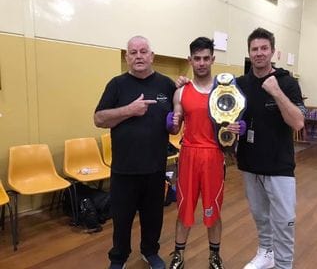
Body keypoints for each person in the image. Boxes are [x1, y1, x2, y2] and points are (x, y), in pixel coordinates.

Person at [94, 35, 176, 269]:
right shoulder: (117, 85)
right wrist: (129, 110)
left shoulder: (166, 85)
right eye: (133, 52)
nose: (138, 56)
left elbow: (178, 114)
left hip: (156, 167)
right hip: (124, 169)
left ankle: (150, 252)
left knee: (153, 218)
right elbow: (99, 119)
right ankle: (118, 258)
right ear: (127, 57)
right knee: (122, 219)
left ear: (152, 56)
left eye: (143, 51)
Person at [167, 37, 243, 269]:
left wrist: (239, 128)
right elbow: (174, 128)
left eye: (206, 58)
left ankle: (214, 256)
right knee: (184, 208)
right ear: (190, 60)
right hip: (189, 154)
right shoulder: (181, 92)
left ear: (213, 59)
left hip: (213, 156)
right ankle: (179, 255)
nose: (201, 63)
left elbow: (235, 123)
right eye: (197, 58)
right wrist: (171, 121)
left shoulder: (225, 91)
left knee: (213, 210)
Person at [236, 28, 306, 269]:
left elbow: (298, 122)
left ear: (273, 51)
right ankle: (266, 252)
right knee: (260, 216)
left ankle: (284, 264)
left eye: (264, 48)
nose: (259, 53)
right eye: (254, 49)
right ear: (249, 52)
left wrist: (276, 91)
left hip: (280, 165)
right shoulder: (240, 83)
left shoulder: (287, 82)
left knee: (284, 220)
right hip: (249, 163)